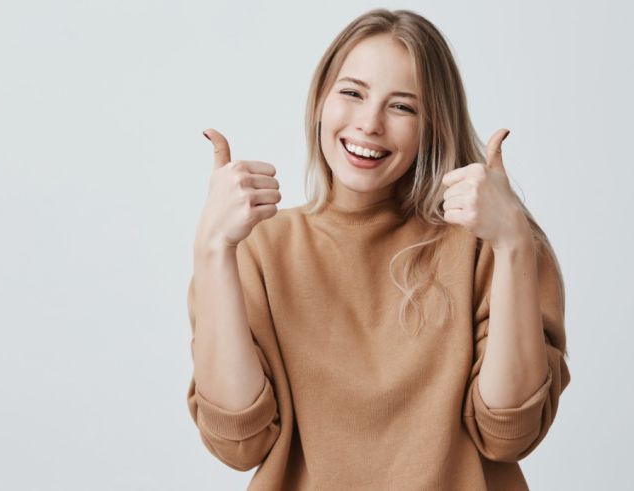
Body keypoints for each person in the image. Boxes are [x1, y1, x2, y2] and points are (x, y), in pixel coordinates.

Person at [186, 8, 570, 491]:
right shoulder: (259, 248)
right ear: (320, 101)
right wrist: (212, 250)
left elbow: (508, 433)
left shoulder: (492, 243)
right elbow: (238, 443)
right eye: (352, 93)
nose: (369, 124)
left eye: (403, 106)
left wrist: (513, 246)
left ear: (434, 125)